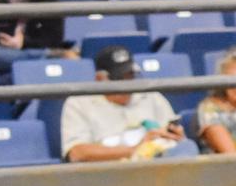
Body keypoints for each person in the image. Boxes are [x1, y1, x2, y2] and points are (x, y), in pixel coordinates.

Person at [60, 45, 198, 162]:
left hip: (155, 168)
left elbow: (169, 136)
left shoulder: (151, 95)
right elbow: (76, 153)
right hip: (108, 174)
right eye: (119, 78)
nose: (127, 83)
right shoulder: (79, 102)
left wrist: (175, 137)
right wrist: (136, 149)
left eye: (130, 75)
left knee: (187, 147)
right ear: (100, 79)